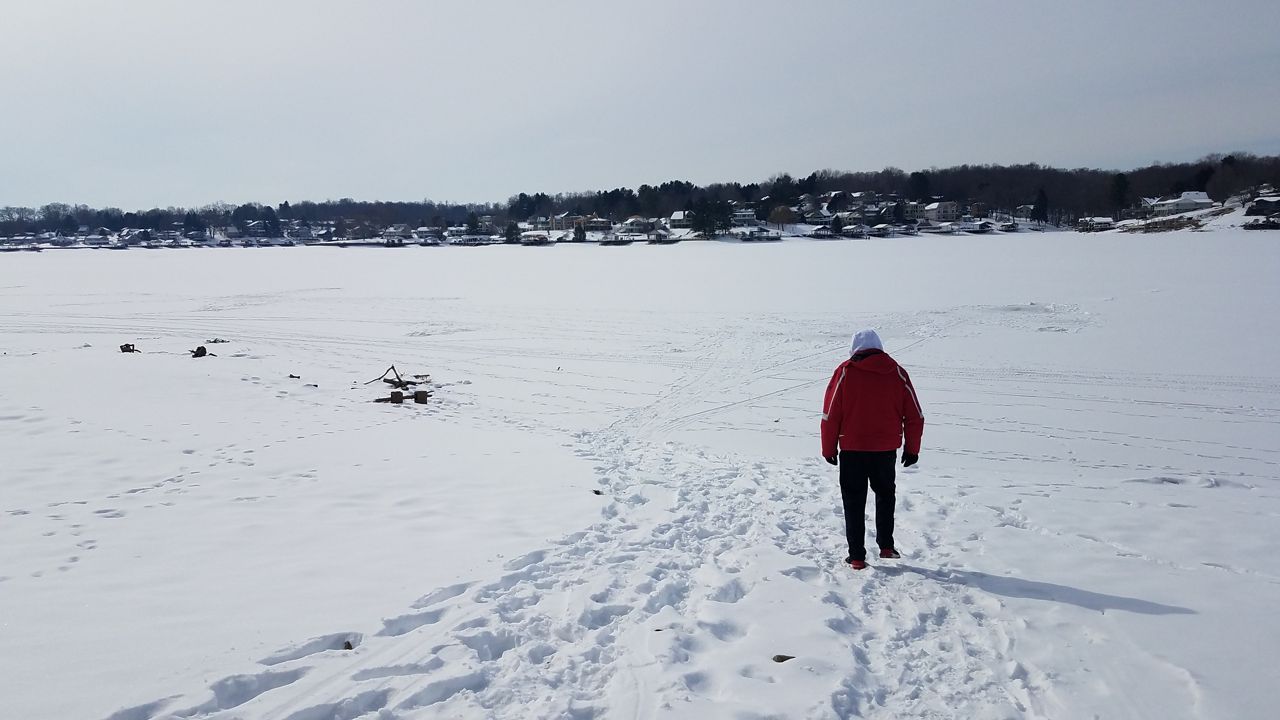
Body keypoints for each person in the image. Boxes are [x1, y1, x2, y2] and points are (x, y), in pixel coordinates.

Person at [821, 329, 924, 570]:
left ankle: (857, 556)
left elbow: (831, 413)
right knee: (886, 495)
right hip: (885, 450)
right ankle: (886, 546)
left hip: (852, 450)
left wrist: (828, 448)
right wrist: (912, 448)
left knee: (854, 500)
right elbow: (915, 415)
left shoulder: (845, 371)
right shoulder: (897, 372)